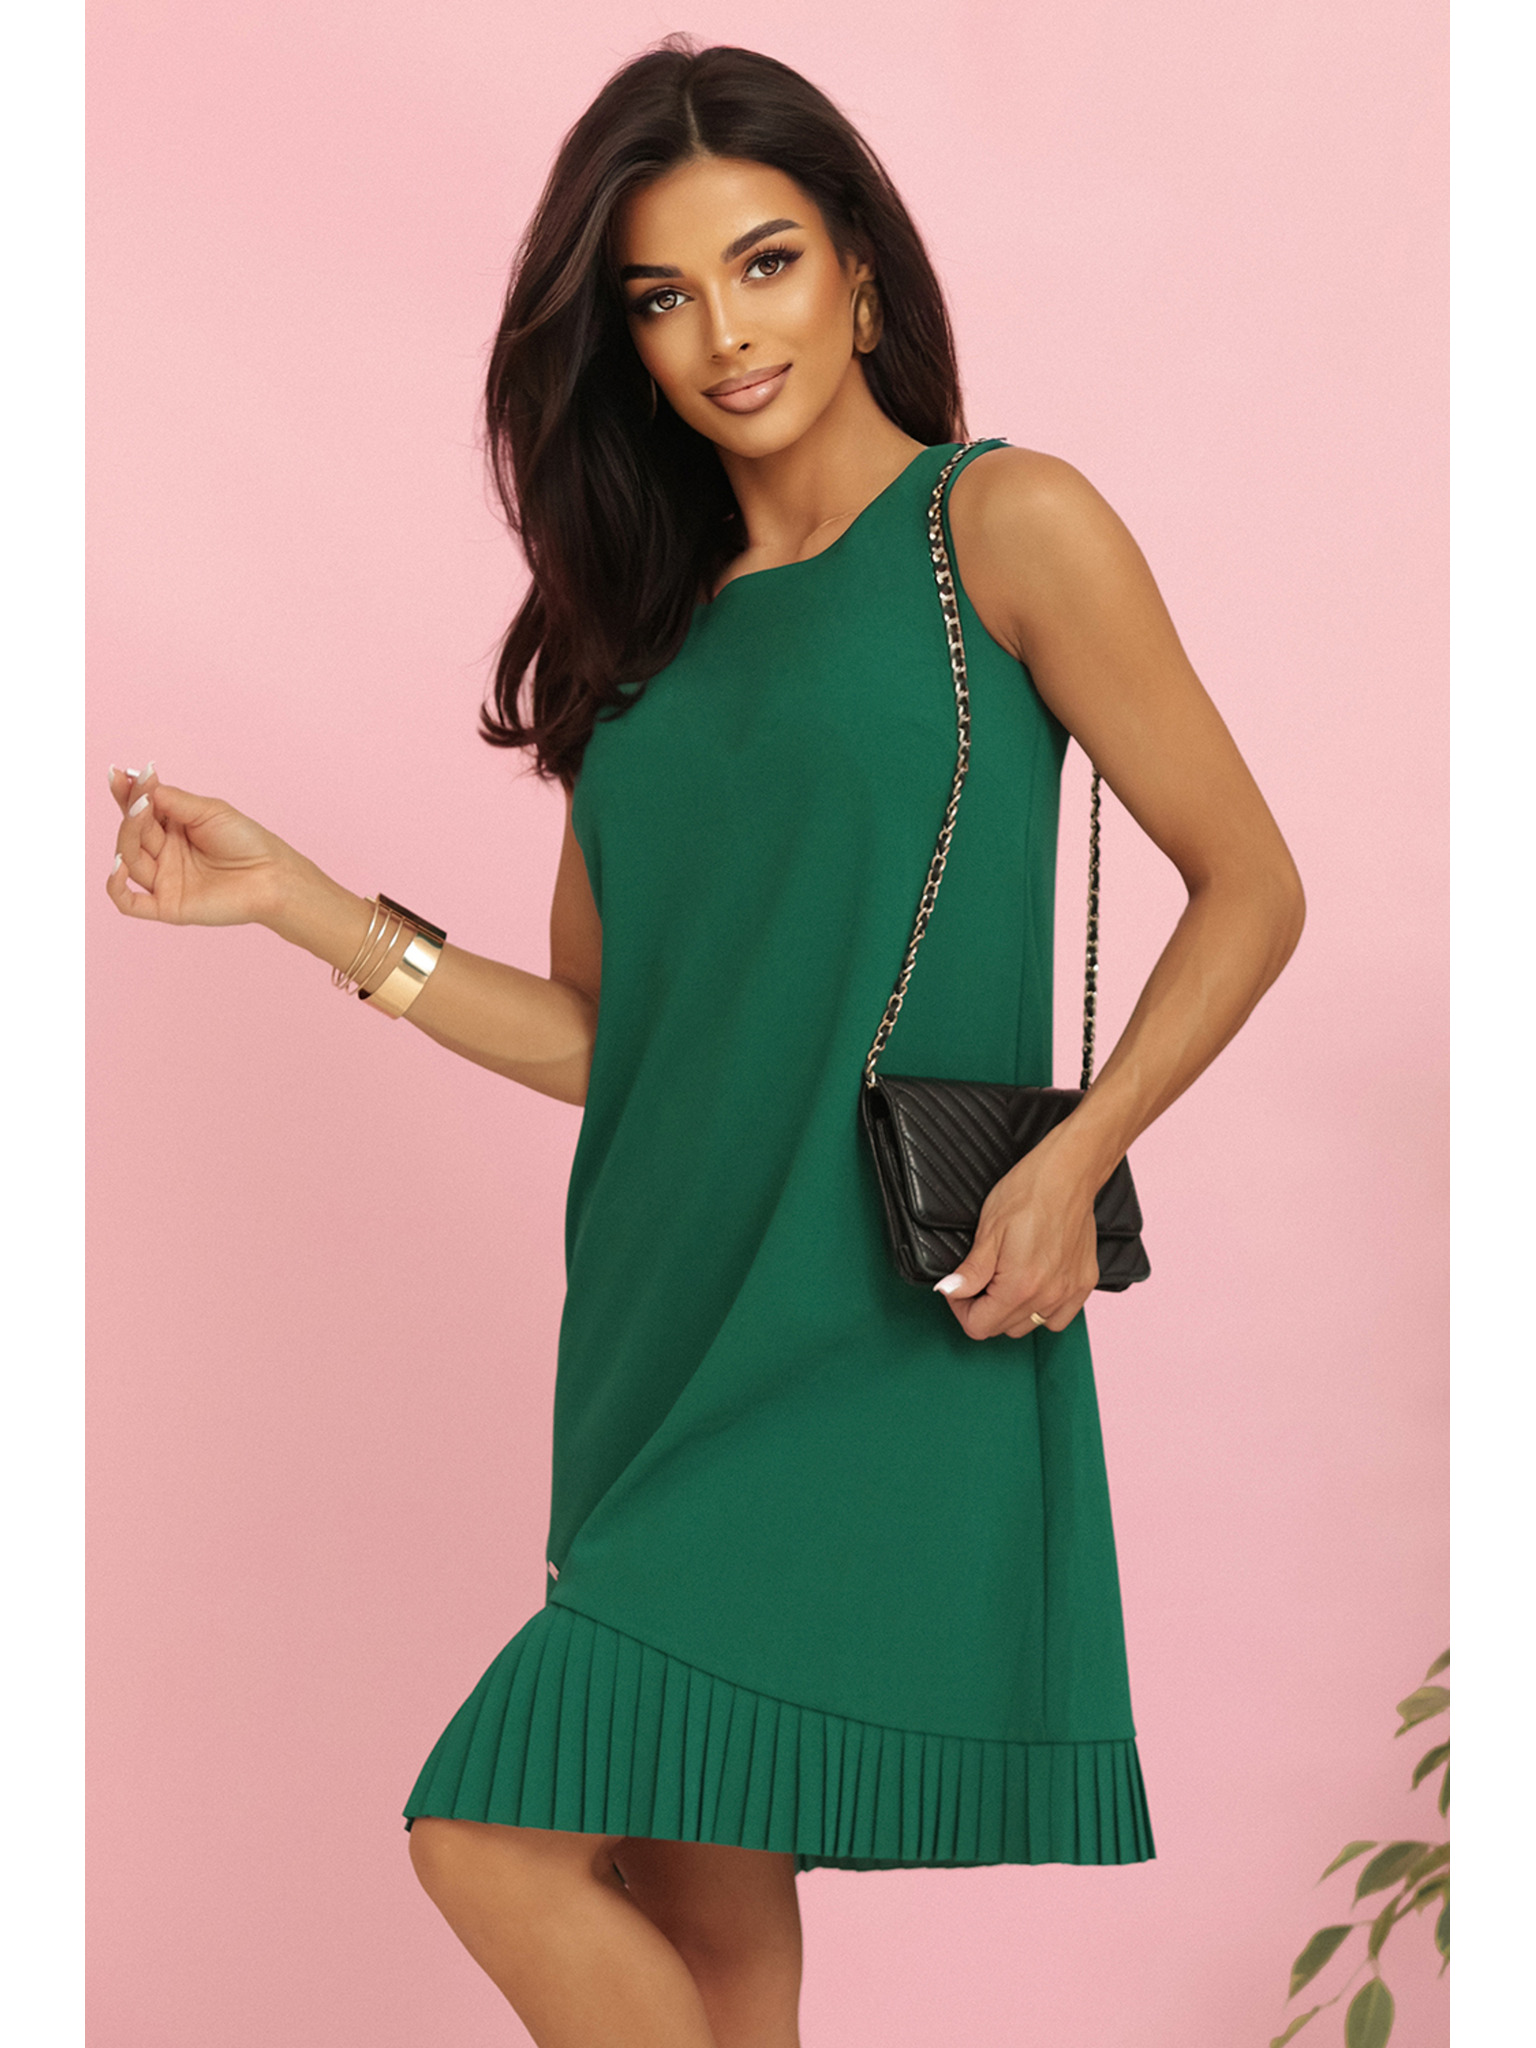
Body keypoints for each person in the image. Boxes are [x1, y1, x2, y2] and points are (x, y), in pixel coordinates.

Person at [105, 35, 1305, 2048]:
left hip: (870, 1320)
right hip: (657, 1329)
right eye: (664, 296)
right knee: (716, 1932)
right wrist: (305, 903)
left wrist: (1078, 1153)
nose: (725, 334)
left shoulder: (1003, 527)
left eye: (764, 264)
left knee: (483, 1836)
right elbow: (609, 1037)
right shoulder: (636, 633)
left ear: (858, 273)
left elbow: (1252, 882)